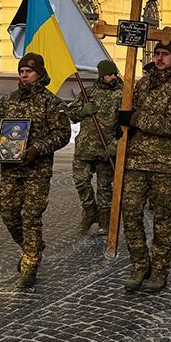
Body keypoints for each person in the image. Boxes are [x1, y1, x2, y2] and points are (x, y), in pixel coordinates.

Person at [117, 39, 171, 293]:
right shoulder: (143, 83)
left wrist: (136, 119)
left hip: (165, 163)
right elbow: (128, 112)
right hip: (137, 160)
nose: (159, 58)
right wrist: (121, 125)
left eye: (165, 54)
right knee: (130, 213)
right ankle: (139, 265)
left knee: (162, 219)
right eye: (156, 53)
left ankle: (160, 270)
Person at [0, 53, 71, 288]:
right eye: (22, 71)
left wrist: (38, 149)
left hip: (37, 170)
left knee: (31, 217)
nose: (24, 75)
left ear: (40, 74)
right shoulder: (9, 100)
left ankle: (30, 265)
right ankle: (31, 247)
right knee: (8, 212)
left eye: (29, 72)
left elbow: (62, 134)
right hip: (10, 168)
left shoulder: (51, 103)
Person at [67, 59, 123, 235]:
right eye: (108, 74)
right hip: (85, 147)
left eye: (114, 74)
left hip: (107, 149)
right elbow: (72, 114)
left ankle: (105, 222)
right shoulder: (88, 93)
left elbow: (127, 123)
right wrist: (82, 111)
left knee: (105, 188)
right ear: (101, 76)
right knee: (81, 181)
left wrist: (116, 144)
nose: (112, 77)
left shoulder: (123, 95)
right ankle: (90, 211)